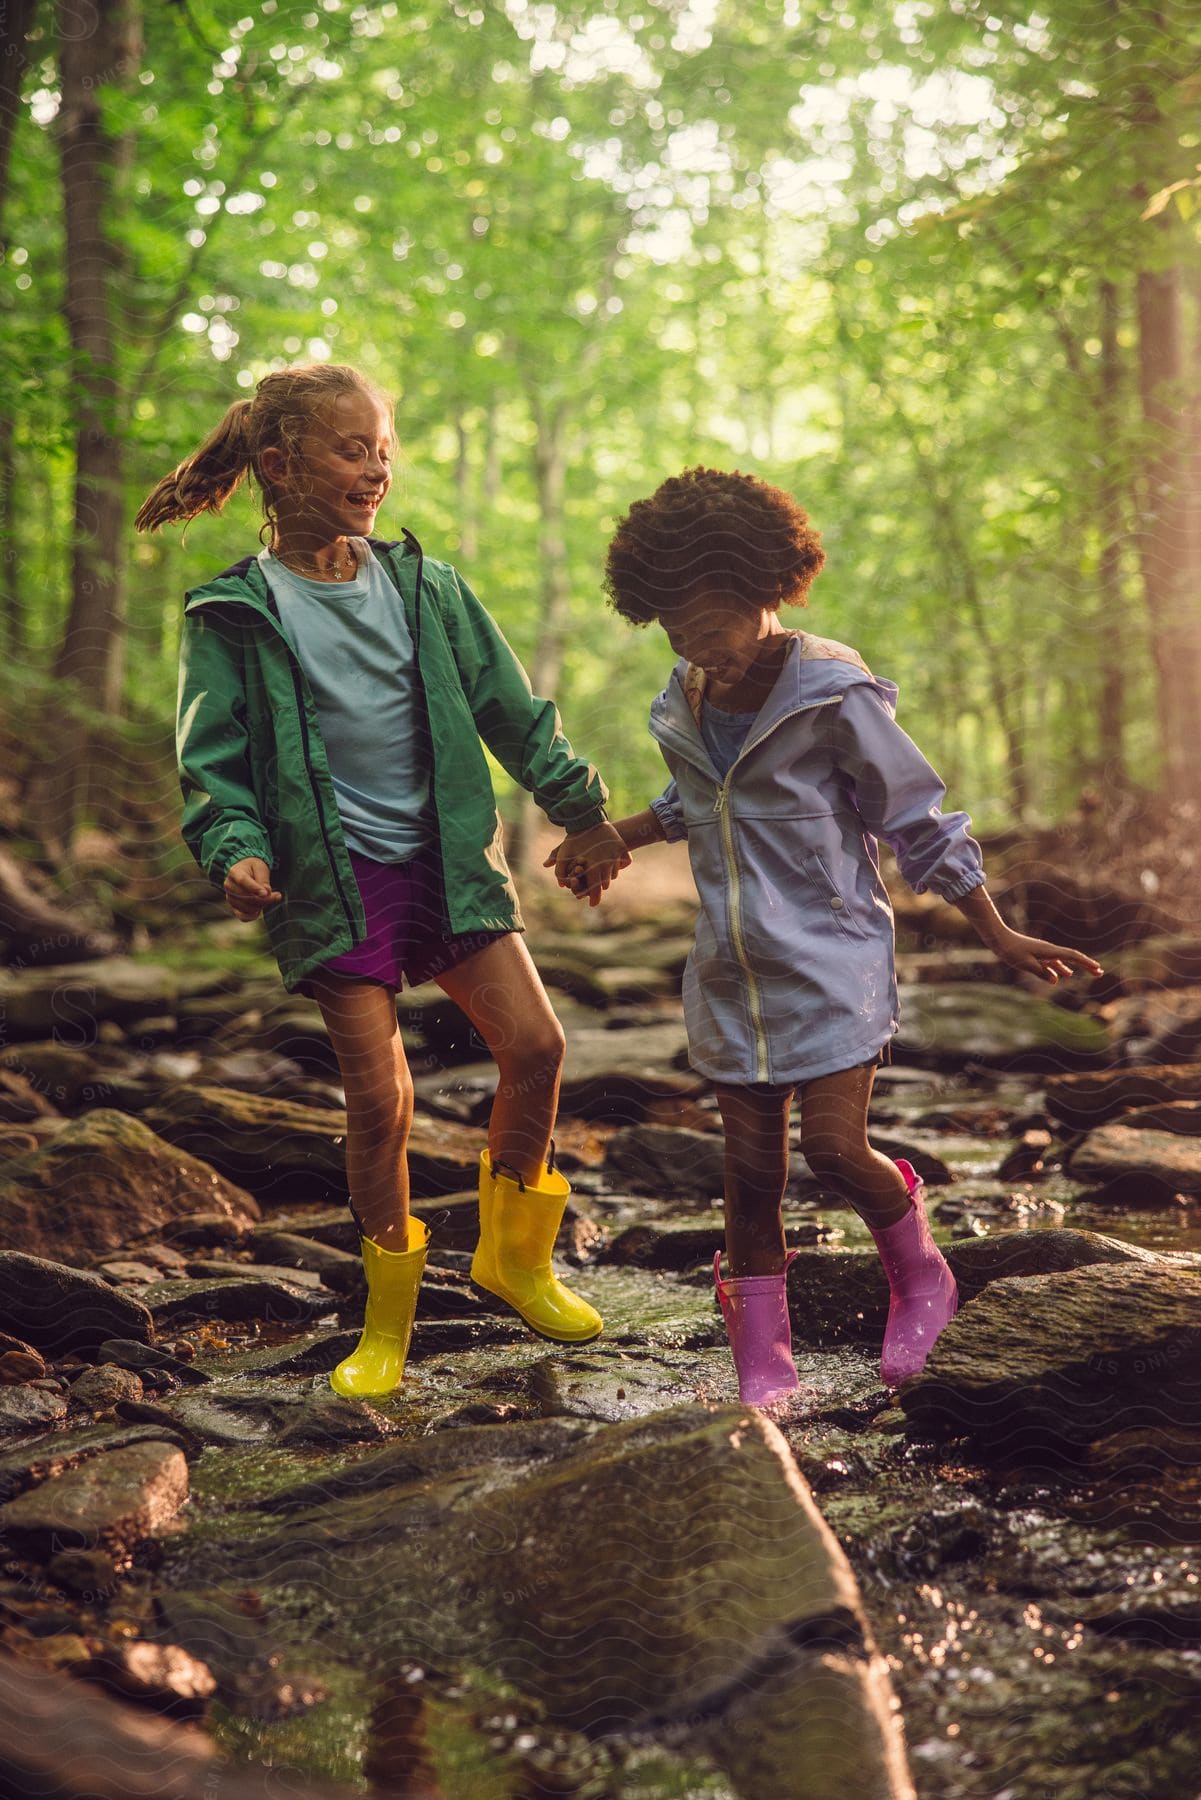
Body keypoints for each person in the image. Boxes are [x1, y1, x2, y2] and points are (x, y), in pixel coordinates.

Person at [555, 466, 1102, 1405]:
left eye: (710, 627)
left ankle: (921, 1272)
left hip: (833, 958)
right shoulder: (682, 699)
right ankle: (764, 1358)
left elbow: (917, 820)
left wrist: (998, 930)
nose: (696, 648)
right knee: (748, 1171)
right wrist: (616, 836)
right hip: (731, 970)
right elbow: (696, 801)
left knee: (834, 1150)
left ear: (763, 593)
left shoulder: (832, 695)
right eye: (675, 632)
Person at [137, 363, 627, 1399]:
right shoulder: (233, 612)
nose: (375, 471)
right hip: (332, 876)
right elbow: (210, 764)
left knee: (536, 1045)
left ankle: (513, 1259)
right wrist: (237, 852)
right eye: (351, 450)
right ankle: (386, 1326)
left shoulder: (427, 587)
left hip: (445, 860)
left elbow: (510, 710)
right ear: (278, 465)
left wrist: (582, 808)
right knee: (382, 1100)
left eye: (382, 452)